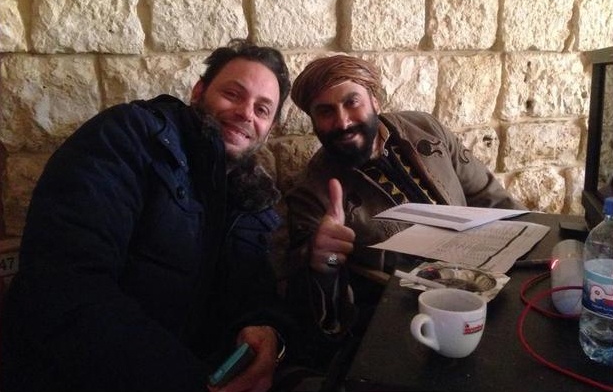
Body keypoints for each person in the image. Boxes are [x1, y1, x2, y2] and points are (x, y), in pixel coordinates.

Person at [0, 39, 296, 392]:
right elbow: (66, 283)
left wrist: (267, 330)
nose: (246, 113)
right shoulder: (128, 137)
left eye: (262, 109)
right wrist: (190, 382)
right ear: (199, 91)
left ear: (269, 128)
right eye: (233, 94)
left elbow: (254, 292)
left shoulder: (251, 199)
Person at [284, 54, 525, 366]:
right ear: (313, 120)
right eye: (326, 111)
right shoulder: (311, 191)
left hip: (487, 284)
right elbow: (322, 284)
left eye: (352, 102)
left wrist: (530, 248)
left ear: (375, 100)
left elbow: (490, 197)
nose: (342, 122)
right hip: (406, 319)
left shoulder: (426, 129)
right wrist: (324, 260)